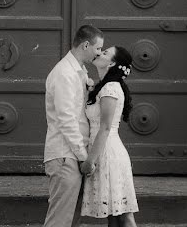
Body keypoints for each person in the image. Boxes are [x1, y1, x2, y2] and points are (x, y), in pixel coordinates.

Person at [43, 24, 104, 227]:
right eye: (97, 48)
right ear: (86, 45)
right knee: (59, 221)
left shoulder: (78, 72)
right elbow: (67, 120)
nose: (99, 53)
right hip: (64, 156)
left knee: (71, 220)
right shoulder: (64, 74)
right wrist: (84, 156)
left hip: (71, 155)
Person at [80, 46, 139, 227]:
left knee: (124, 216)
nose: (99, 53)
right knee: (113, 217)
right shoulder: (103, 87)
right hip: (102, 151)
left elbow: (105, 128)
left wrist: (89, 161)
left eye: (105, 53)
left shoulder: (111, 88)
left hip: (109, 153)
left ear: (112, 63)